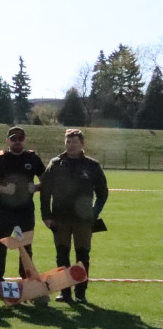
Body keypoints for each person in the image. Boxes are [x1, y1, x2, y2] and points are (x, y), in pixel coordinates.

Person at [40, 128, 108, 303]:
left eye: (75, 142)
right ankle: (65, 293)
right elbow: (45, 192)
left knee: (82, 256)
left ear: (82, 144)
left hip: (83, 221)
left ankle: (80, 294)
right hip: (60, 219)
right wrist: (46, 216)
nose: (71, 145)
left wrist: (94, 213)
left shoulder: (92, 165)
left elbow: (102, 193)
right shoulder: (55, 164)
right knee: (62, 255)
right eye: (68, 142)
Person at [0, 126, 45, 282]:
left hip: (26, 211)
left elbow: (47, 182)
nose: (17, 141)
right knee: (1, 245)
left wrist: (36, 187)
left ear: (24, 140)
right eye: (13, 139)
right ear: (7, 141)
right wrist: (3, 189)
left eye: (20, 138)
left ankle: (26, 279)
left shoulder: (33, 159)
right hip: (6, 211)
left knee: (26, 246)